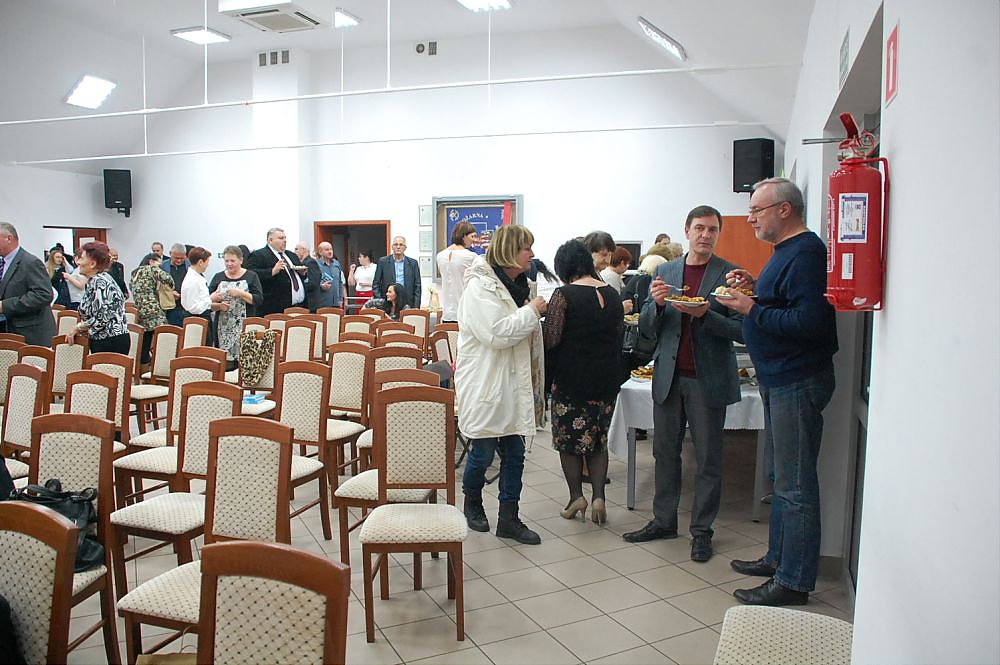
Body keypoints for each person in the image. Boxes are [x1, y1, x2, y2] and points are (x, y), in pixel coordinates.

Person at [718, 178, 838, 606]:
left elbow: (811, 324)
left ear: (784, 210)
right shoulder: (787, 251)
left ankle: (793, 582)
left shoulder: (806, 253)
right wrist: (755, 287)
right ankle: (778, 558)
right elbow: (786, 304)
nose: (751, 218)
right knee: (781, 478)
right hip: (781, 378)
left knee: (795, 485)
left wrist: (751, 307)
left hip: (795, 379)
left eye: (757, 210)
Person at [621, 205, 745, 564]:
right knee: (664, 453)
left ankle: (702, 531)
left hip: (708, 378)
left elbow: (742, 330)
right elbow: (647, 326)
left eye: (712, 230)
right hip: (669, 377)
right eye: (700, 228)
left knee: (708, 459)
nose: (706, 235)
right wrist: (658, 306)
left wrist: (706, 315)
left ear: (718, 234)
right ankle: (663, 521)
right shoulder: (666, 271)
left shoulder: (729, 275)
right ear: (687, 231)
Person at [457, 224, 546, 545]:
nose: (532, 254)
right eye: (526, 248)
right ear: (510, 251)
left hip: (512, 384)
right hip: (487, 384)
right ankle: (472, 502)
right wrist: (532, 312)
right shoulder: (480, 288)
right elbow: (497, 333)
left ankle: (509, 518)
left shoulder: (520, 286)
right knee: (482, 454)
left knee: (515, 454)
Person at [543, 240, 624, 525]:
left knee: (569, 443)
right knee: (598, 441)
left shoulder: (563, 295)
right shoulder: (612, 293)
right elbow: (618, 336)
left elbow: (551, 340)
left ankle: (576, 496)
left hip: (572, 381)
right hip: (607, 380)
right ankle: (599, 497)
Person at [66, 241, 128, 354]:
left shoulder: (100, 281)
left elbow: (102, 317)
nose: (78, 262)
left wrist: (78, 327)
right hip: (103, 339)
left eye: (82, 258)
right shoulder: (95, 280)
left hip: (109, 341)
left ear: (92, 264)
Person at [0, 222, 57, 345]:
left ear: (9, 238)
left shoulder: (30, 262)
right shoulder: (3, 263)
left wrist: (4, 306)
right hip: (8, 332)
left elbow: (44, 295)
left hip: (30, 334)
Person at [208, 245, 263, 368]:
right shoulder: (218, 277)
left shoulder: (251, 276)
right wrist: (217, 302)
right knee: (224, 363)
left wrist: (241, 294)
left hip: (244, 326)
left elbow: (258, 300)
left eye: (232, 261)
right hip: (222, 327)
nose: (229, 264)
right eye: (226, 261)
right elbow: (207, 302)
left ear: (241, 260)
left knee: (244, 363)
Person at [245, 228, 307, 316]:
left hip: (298, 306)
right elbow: (251, 274)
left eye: (285, 238)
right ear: (270, 240)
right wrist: (272, 271)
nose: (285, 240)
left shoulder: (291, 255)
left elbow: (298, 276)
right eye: (281, 238)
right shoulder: (258, 255)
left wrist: (303, 273)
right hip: (274, 308)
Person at [129, 253, 174, 365]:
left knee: (146, 337)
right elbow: (167, 278)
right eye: (159, 263)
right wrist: (170, 287)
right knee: (163, 335)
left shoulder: (134, 273)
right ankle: (161, 363)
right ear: (151, 261)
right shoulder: (151, 269)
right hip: (152, 308)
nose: (160, 266)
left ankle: (144, 362)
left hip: (140, 309)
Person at [180, 247, 227, 343]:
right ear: (200, 262)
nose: (208, 265)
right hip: (197, 322)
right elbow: (194, 308)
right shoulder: (192, 281)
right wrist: (211, 298)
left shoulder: (197, 277)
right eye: (207, 262)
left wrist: (217, 305)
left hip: (201, 319)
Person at [436, 221, 479, 322]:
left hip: (447, 313)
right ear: (464, 236)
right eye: (472, 236)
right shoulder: (471, 256)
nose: (474, 240)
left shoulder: (440, 256)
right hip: (465, 313)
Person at [372, 236, 421, 306]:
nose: (398, 247)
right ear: (392, 247)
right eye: (395, 244)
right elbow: (376, 284)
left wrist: (416, 306)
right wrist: (380, 301)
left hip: (407, 301)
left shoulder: (413, 263)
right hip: (388, 302)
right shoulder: (383, 262)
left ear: (405, 248)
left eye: (401, 245)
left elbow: (417, 286)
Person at [313, 242, 347, 311]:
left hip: (336, 303)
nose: (330, 252)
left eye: (331, 249)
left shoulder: (336, 264)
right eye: (327, 250)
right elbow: (312, 283)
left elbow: (340, 282)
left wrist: (341, 299)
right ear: (320, 252)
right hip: (322, 303)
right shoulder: (315, 265)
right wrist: (321, 286)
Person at [163, 243, 190, 326]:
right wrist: (170, 293)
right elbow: (158, 287)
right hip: (170, 308)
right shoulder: (163, 267)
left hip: (187, 307)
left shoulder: (190, 266)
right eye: (176, 258)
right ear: (170, 254)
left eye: (182, 258)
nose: (179, 260)